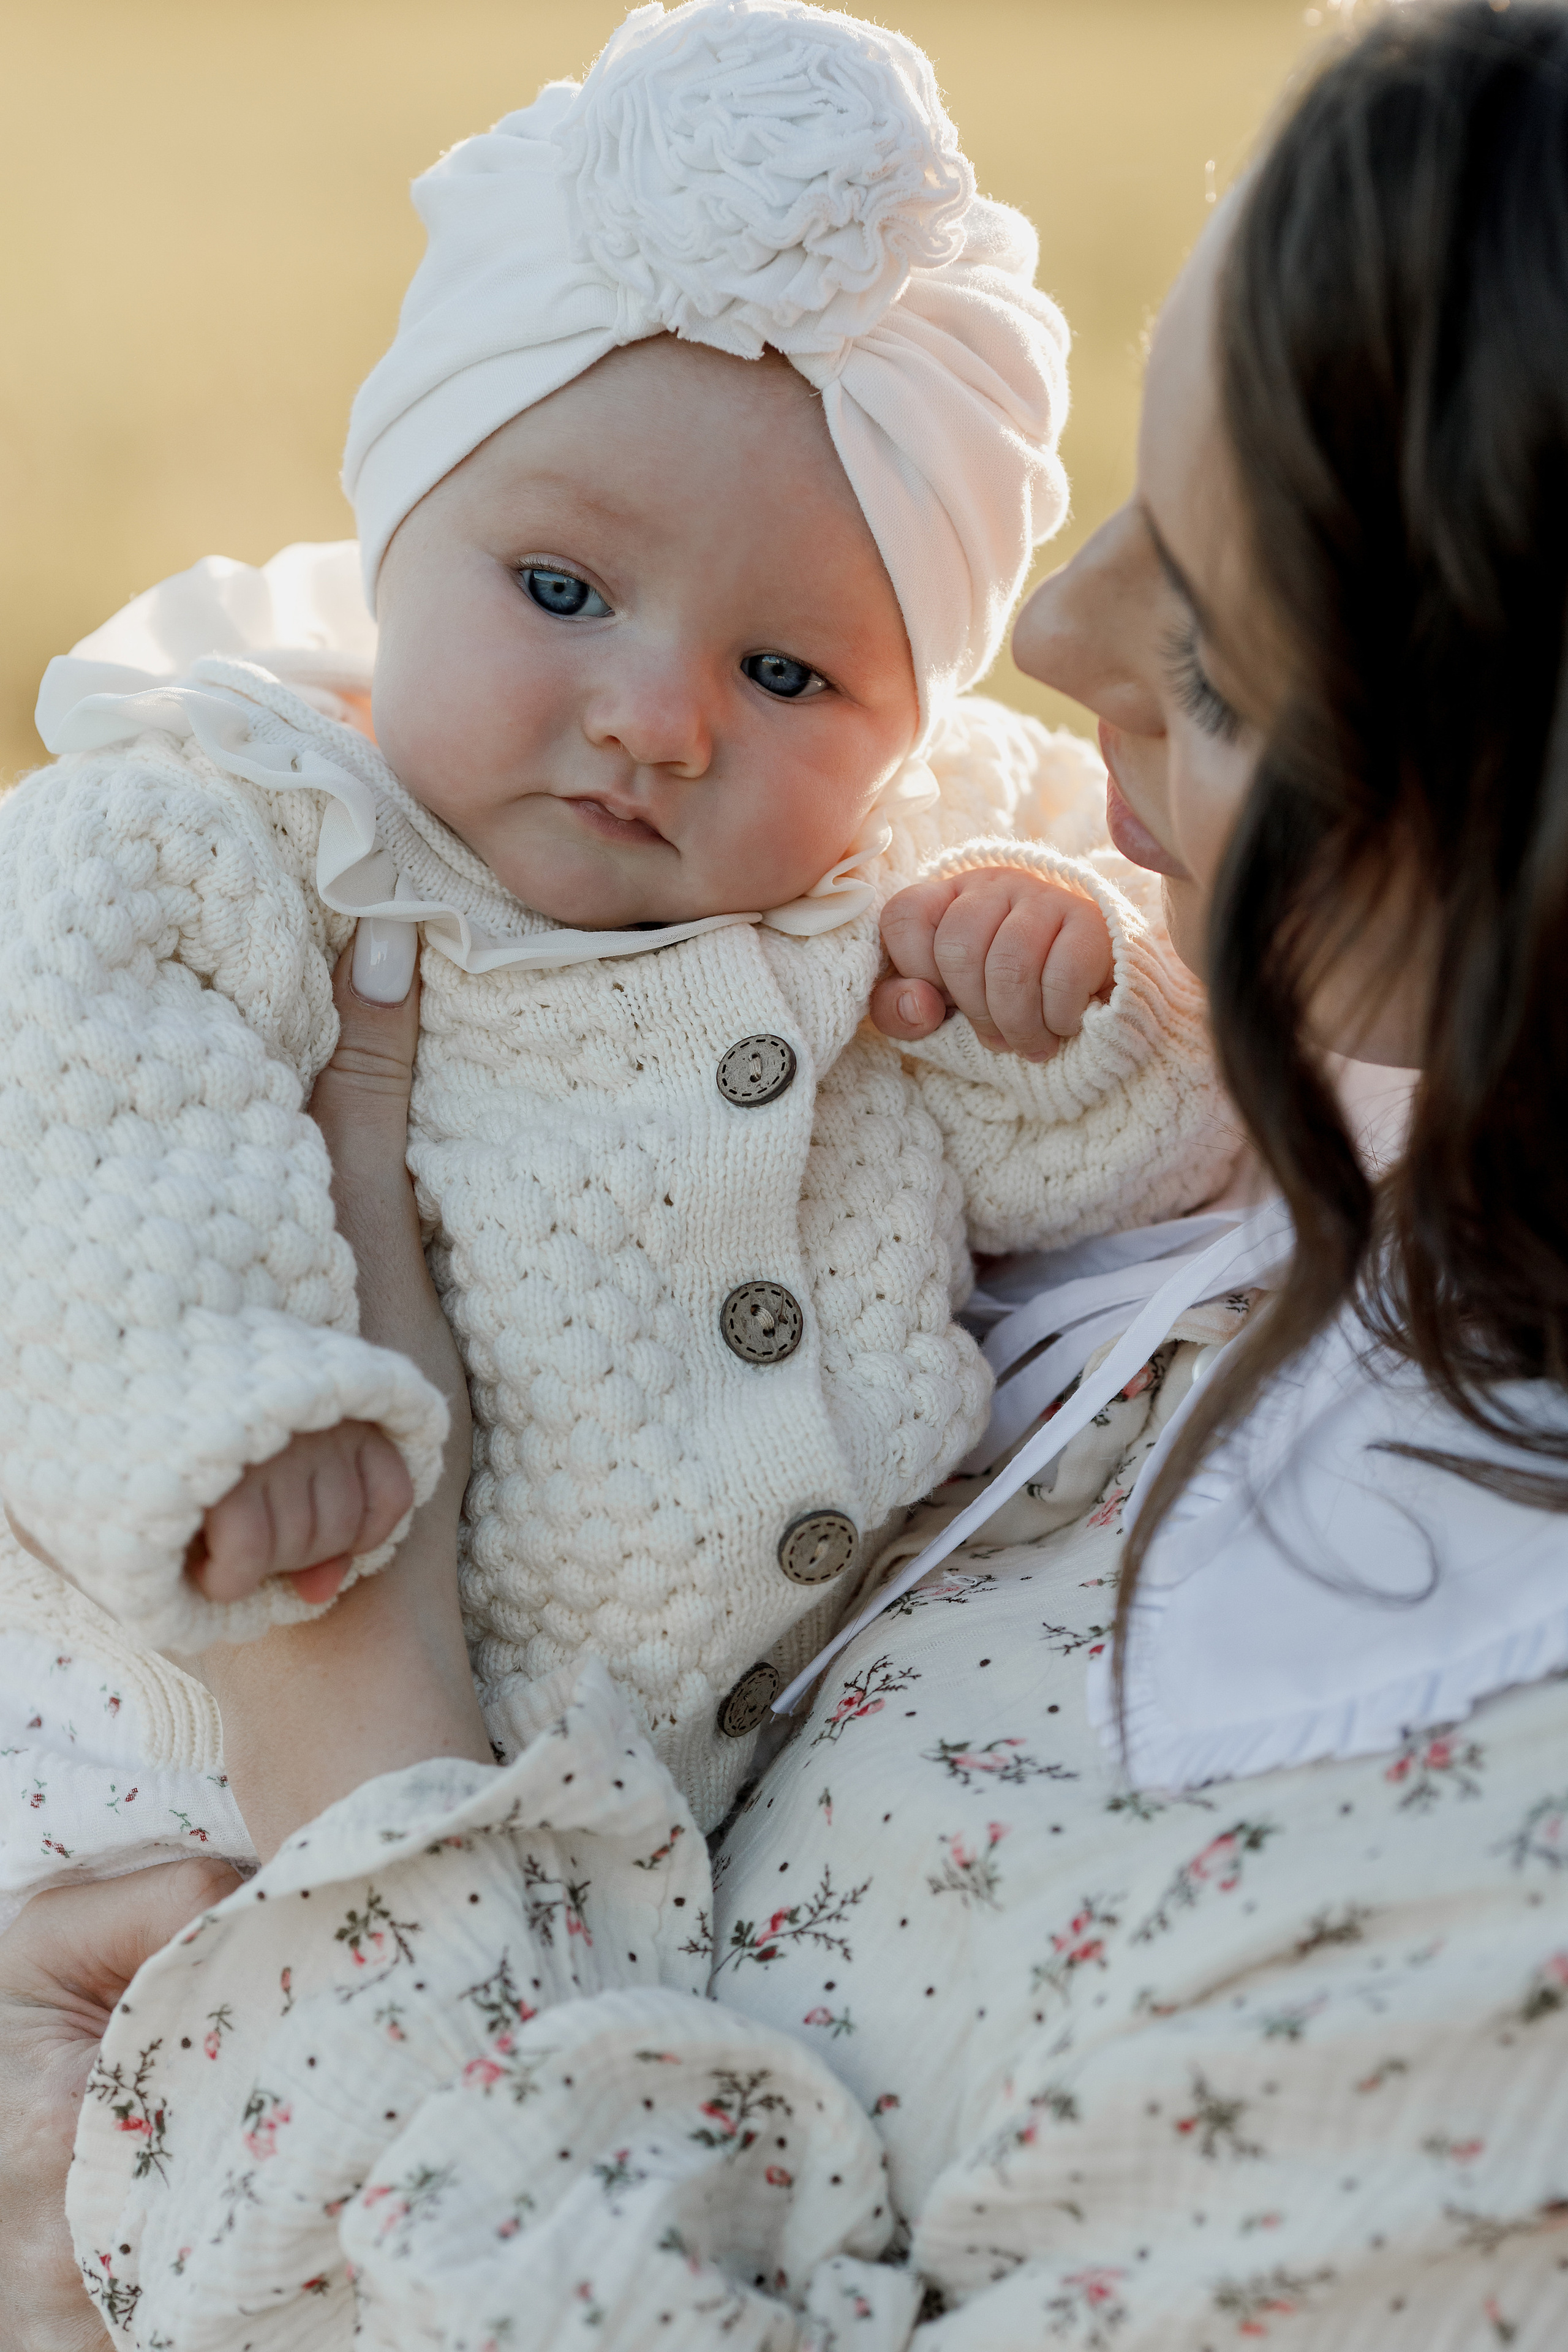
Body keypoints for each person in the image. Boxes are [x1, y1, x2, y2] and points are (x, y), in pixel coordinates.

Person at [23, 1, 1568, 2345]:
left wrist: (350, 1717)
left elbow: (1070, 1109)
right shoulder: (259, 822)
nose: (1041, 643)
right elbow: (92, 1109)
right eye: (1137, 490)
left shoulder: (1462, 1924)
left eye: (1237, 673)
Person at [0, 0, 1229, 1920]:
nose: (659, 719)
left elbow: (1139, 1174)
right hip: (169, 1758)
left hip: (657, 1830)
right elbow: (80, 1122)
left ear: (908, 718)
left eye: (789, 672)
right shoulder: (232, 827)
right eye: (561, 592)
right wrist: (235, 1398)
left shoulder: (889, 881)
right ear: (394, 534)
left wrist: (1050, 1006)